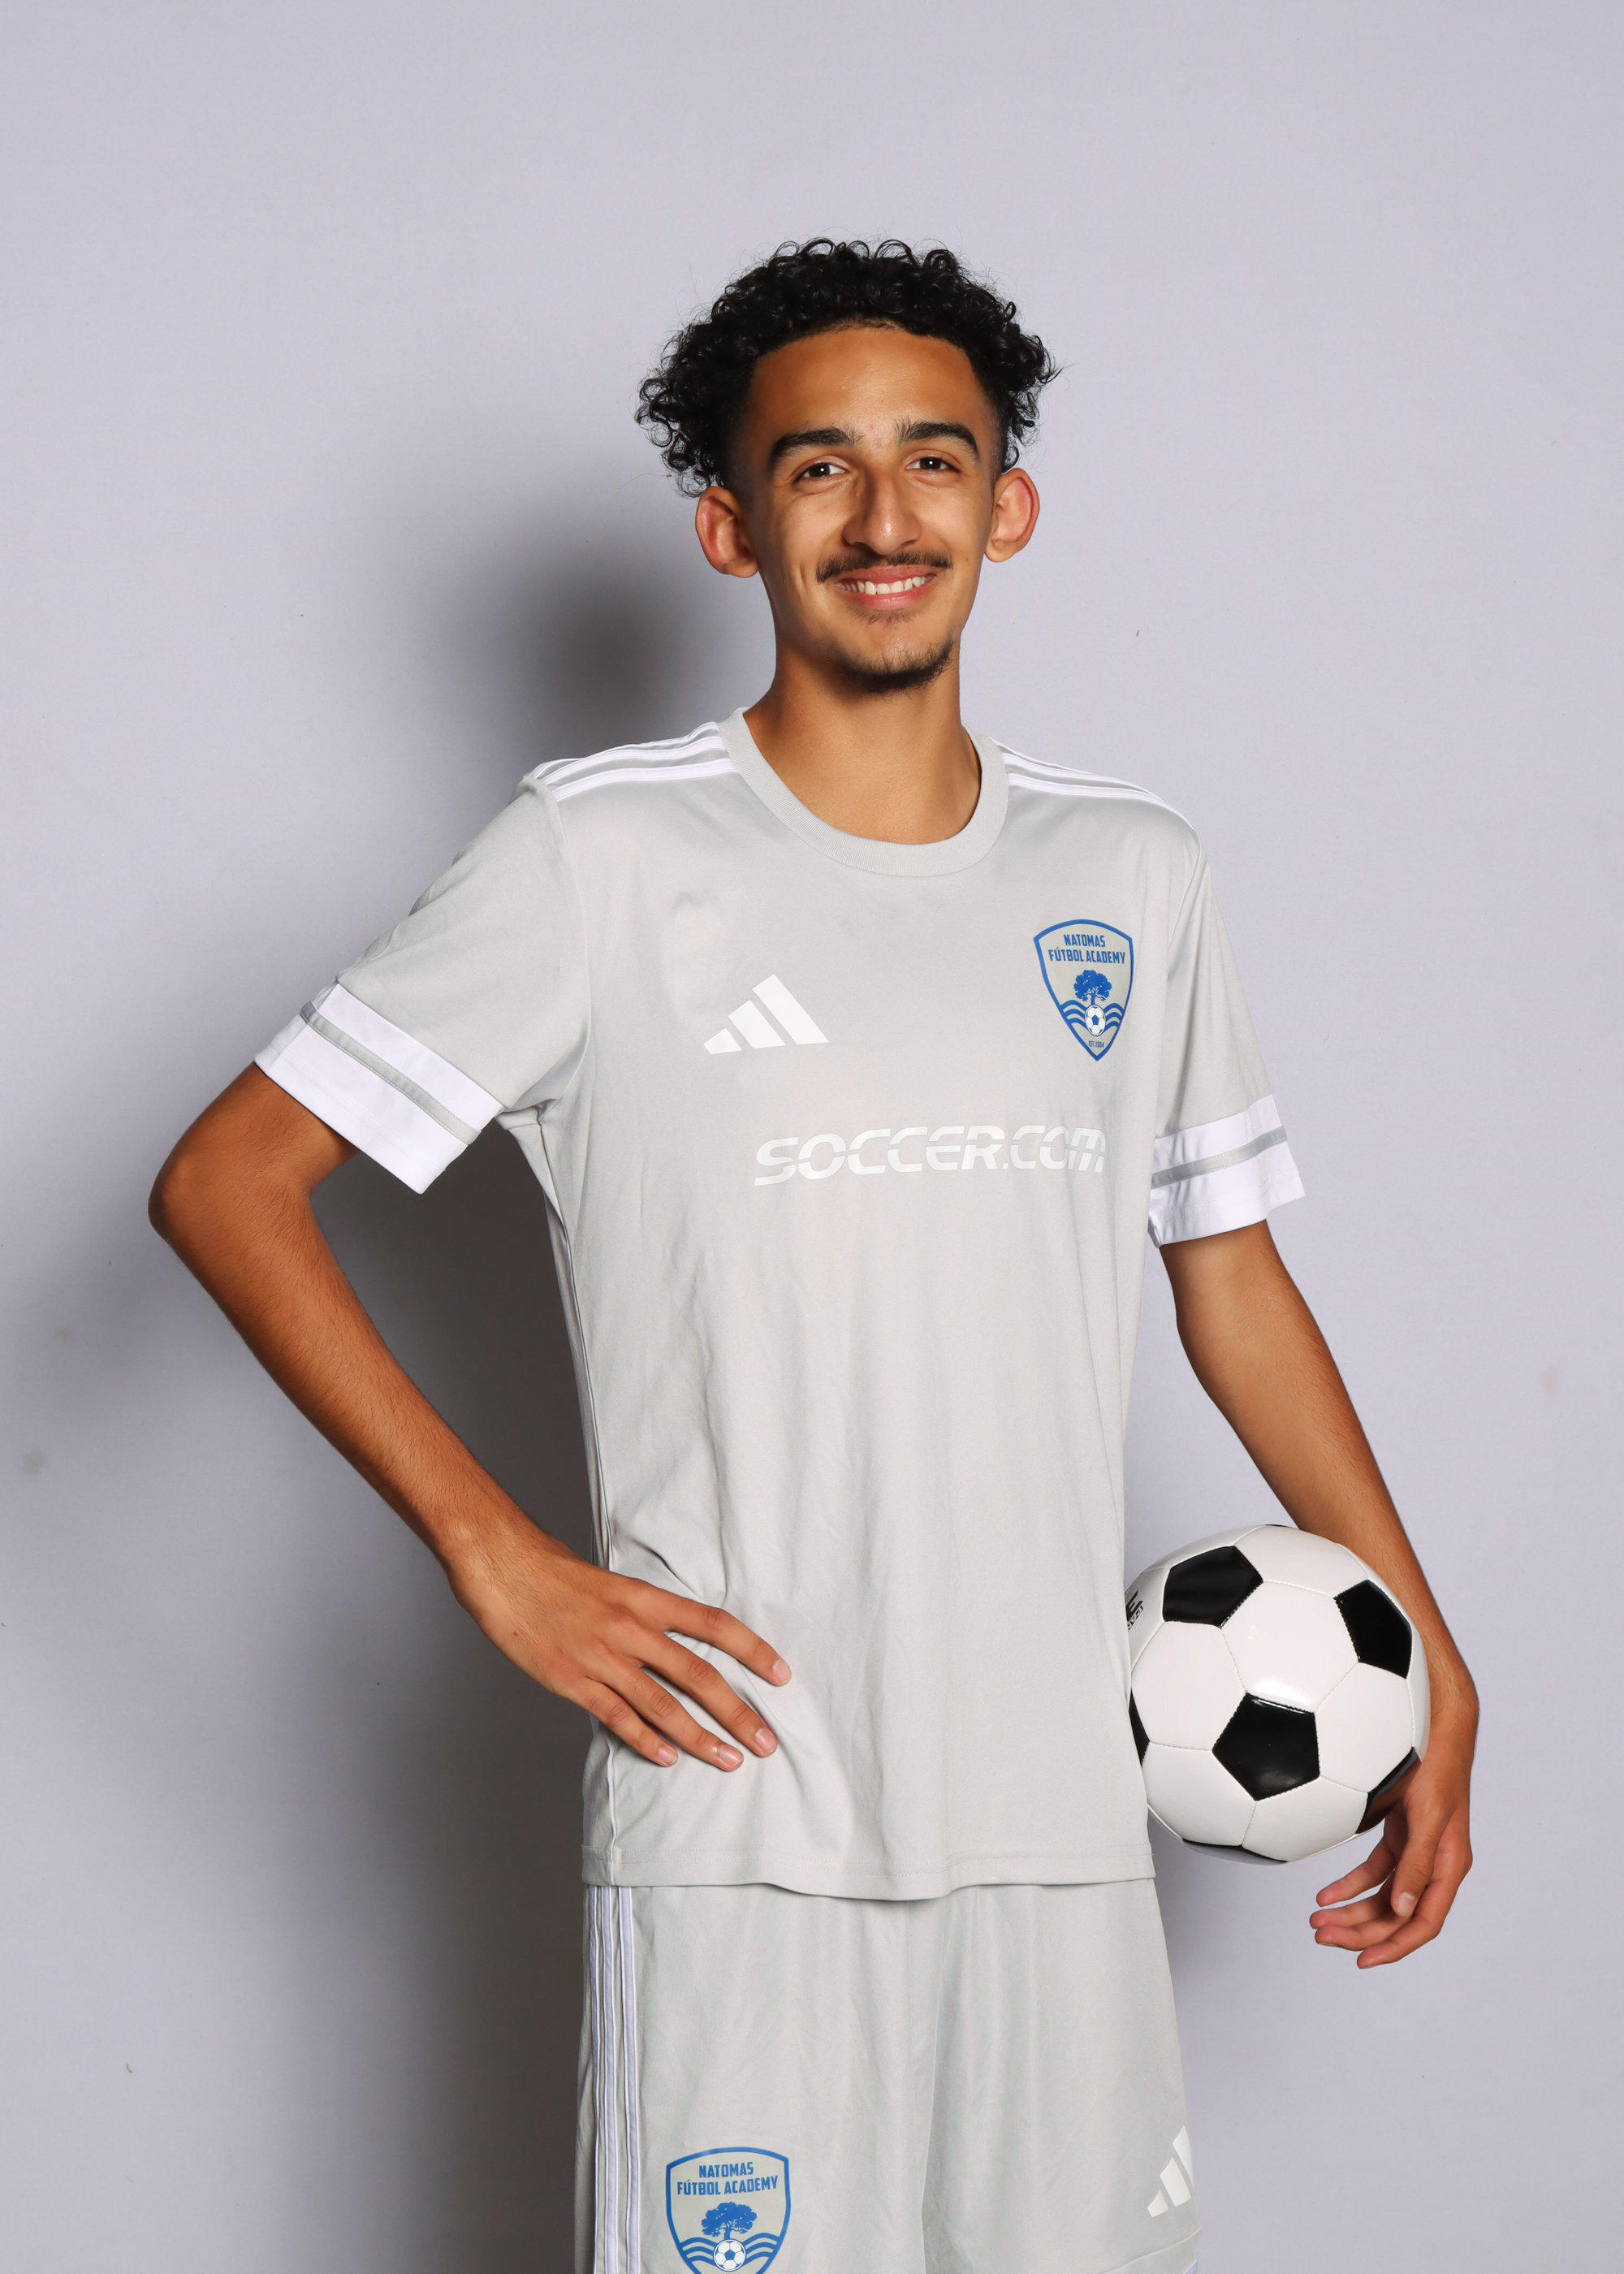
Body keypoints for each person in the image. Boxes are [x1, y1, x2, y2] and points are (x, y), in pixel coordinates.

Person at [150, 239, 1477, 2274]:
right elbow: (230, 1179)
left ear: (1006, 507)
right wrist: (493, 1551)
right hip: (739, 1814)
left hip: (1056, 1817)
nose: (882, 516)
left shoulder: (1131, 872)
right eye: (817, 468)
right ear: (730, 525)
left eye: (933, 460)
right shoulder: (601, 854)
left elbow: (1229, 1282)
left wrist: (1423, 1642)